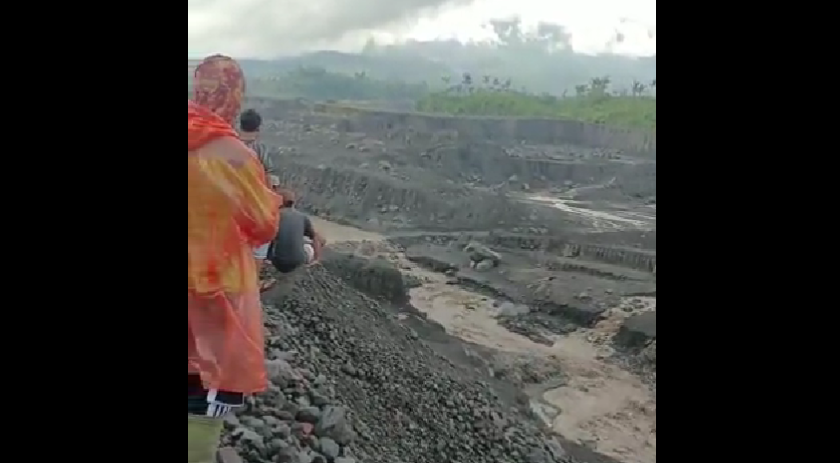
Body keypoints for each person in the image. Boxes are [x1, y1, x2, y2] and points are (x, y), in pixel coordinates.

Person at [189, 56, 282, 463]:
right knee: (206, 391)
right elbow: (264, 224)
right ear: (235, 95)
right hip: (216, 290)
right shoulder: (234, 155)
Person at [268, 189, 324, 275]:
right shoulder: (302, 216)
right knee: (319, 238)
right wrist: (317, 259)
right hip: (299, 262)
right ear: (293, 203)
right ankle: (314, 260)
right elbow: (315, 237)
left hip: (277, 262)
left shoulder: (274, 215)